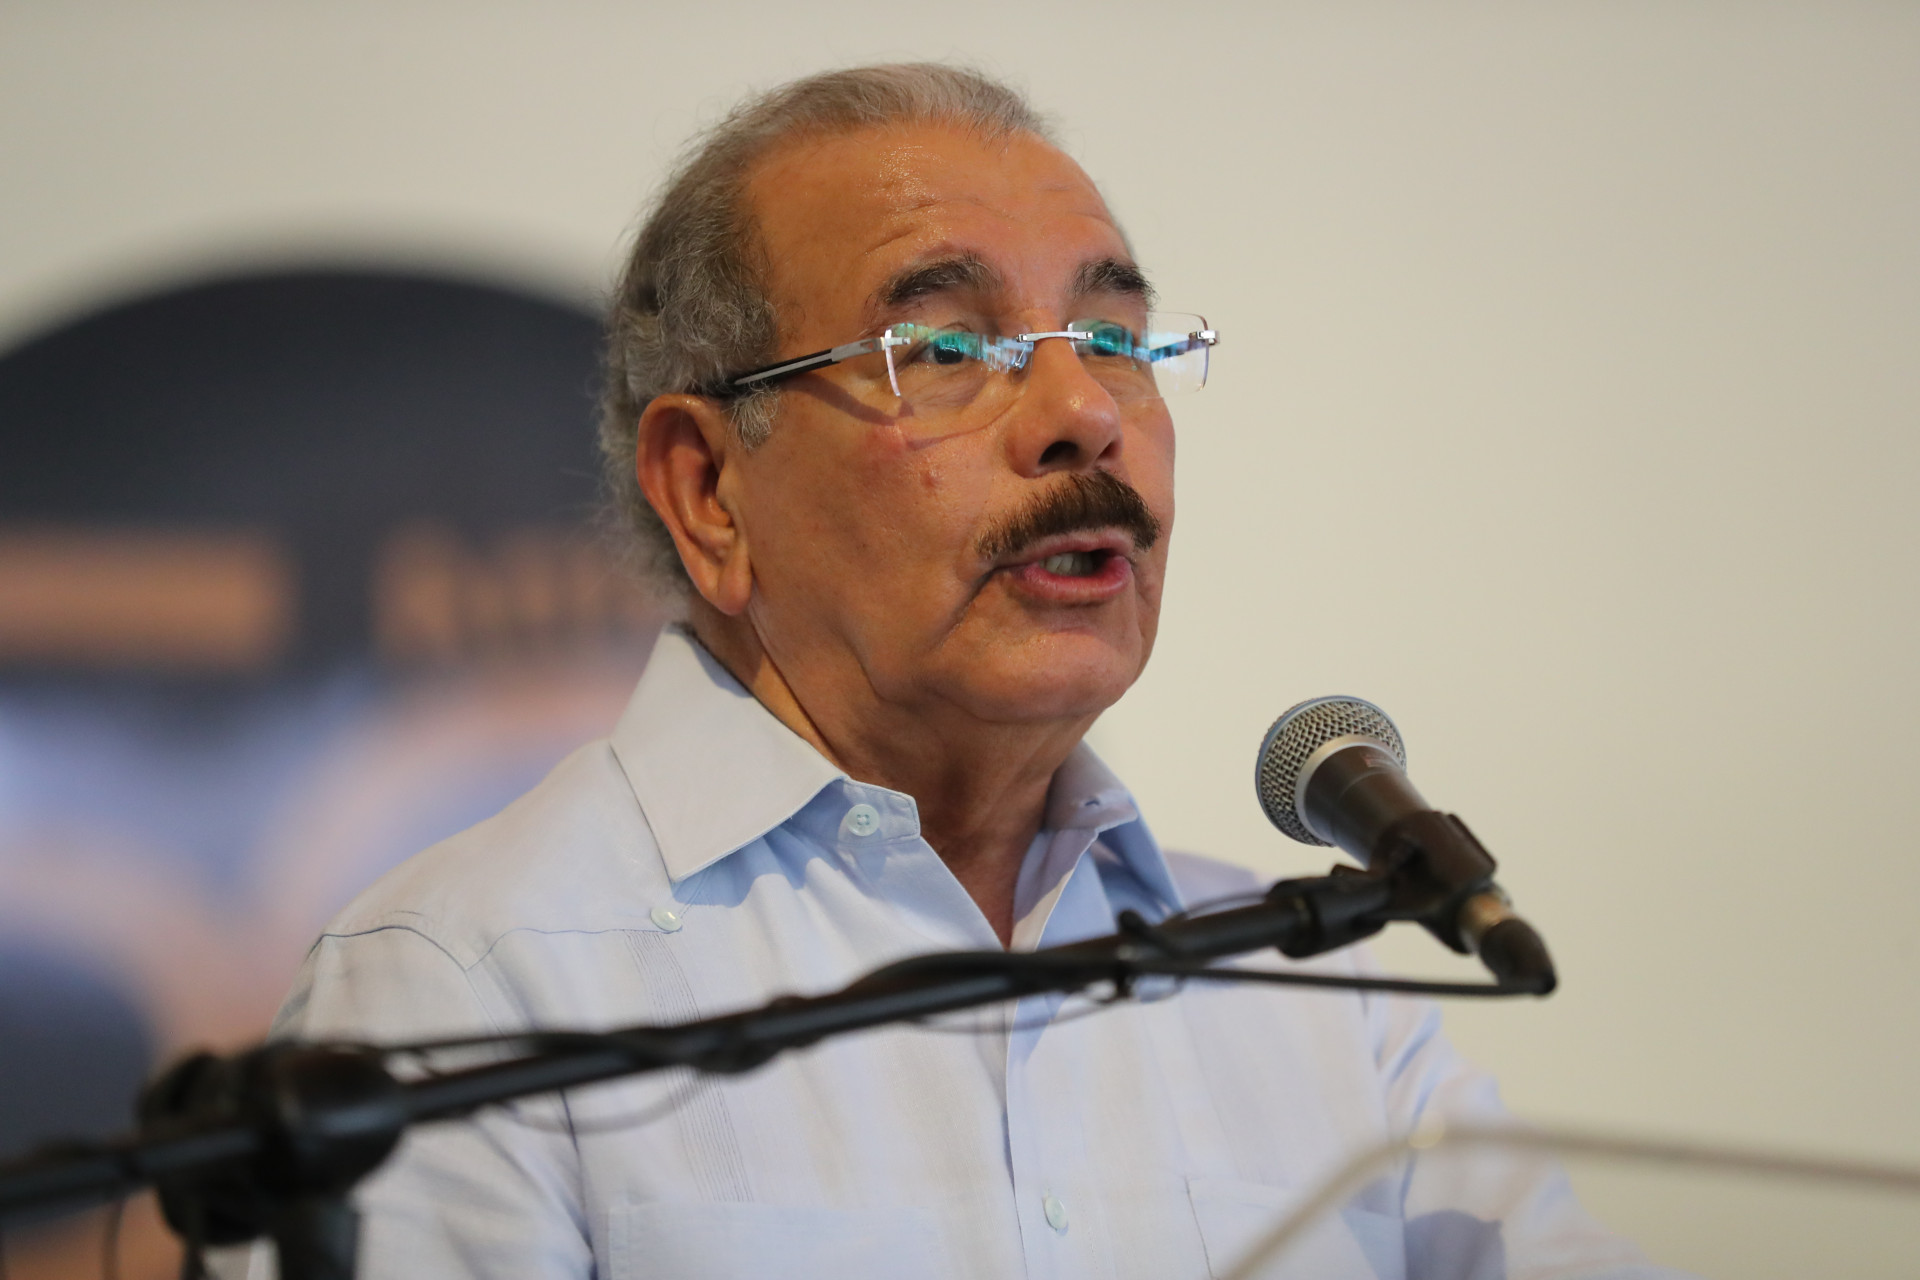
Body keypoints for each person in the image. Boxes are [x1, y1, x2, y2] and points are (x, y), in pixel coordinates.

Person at [249, 64, 1670, 1279]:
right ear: (709, 492)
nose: (1081, 413)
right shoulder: (465, 992)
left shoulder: (1319, 1000)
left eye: (1113, 339)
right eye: (943, 347)